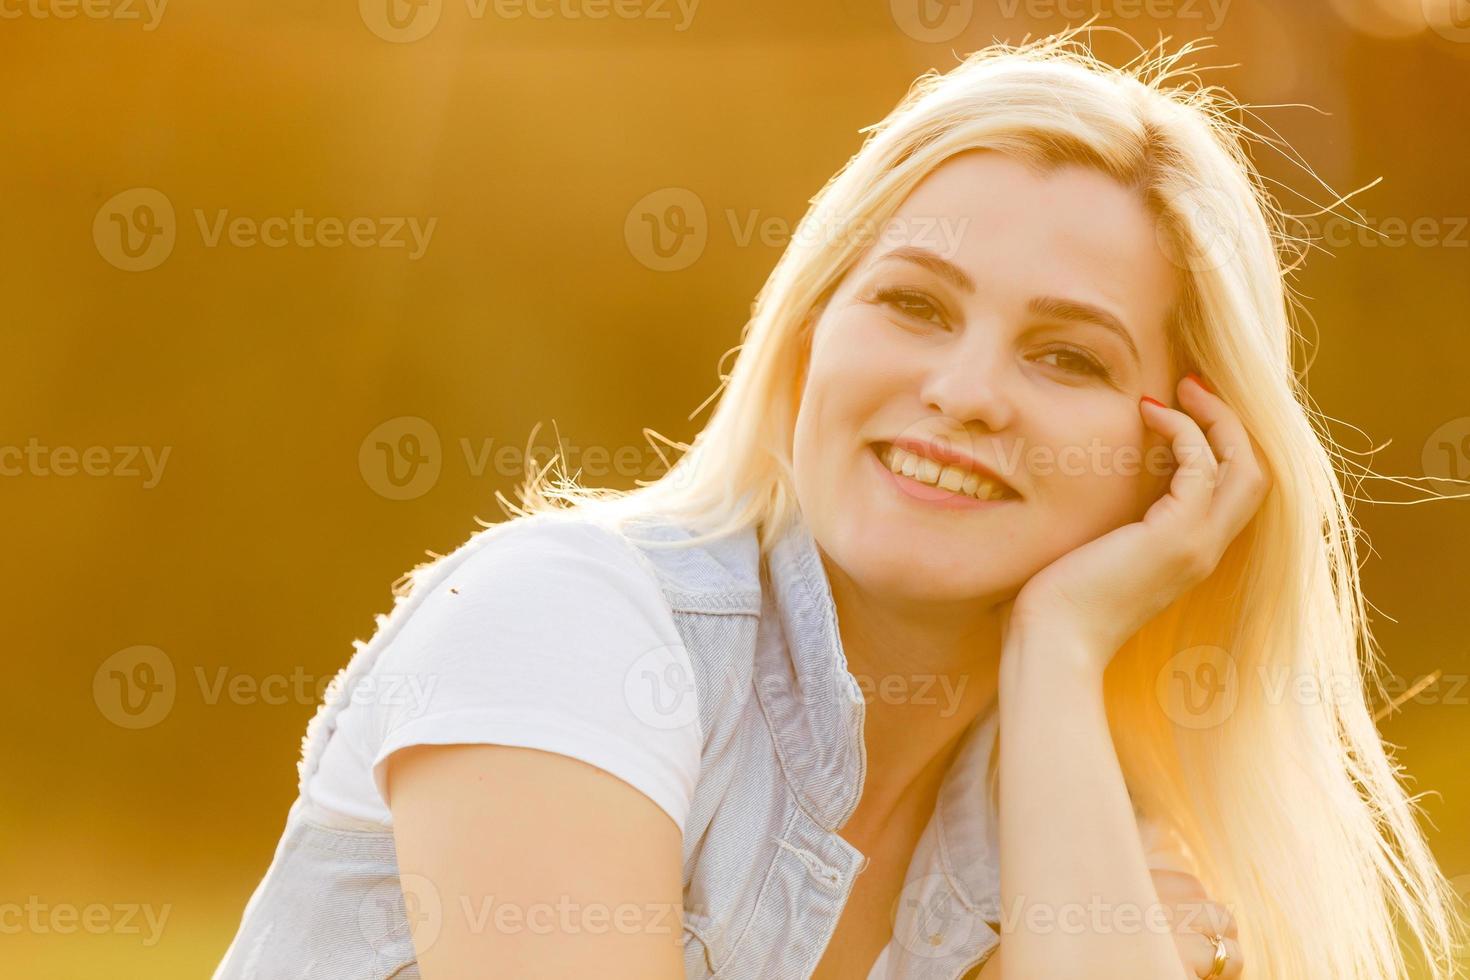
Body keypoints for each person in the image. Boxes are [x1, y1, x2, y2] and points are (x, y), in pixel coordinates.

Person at [213, 25, 1466, 980]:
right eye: (914, 304)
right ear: (810, 338)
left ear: (1180, 452)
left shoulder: (1068, 814)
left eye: (1068, 356)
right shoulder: (564, 625)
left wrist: (1061, 645)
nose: (966, 391)